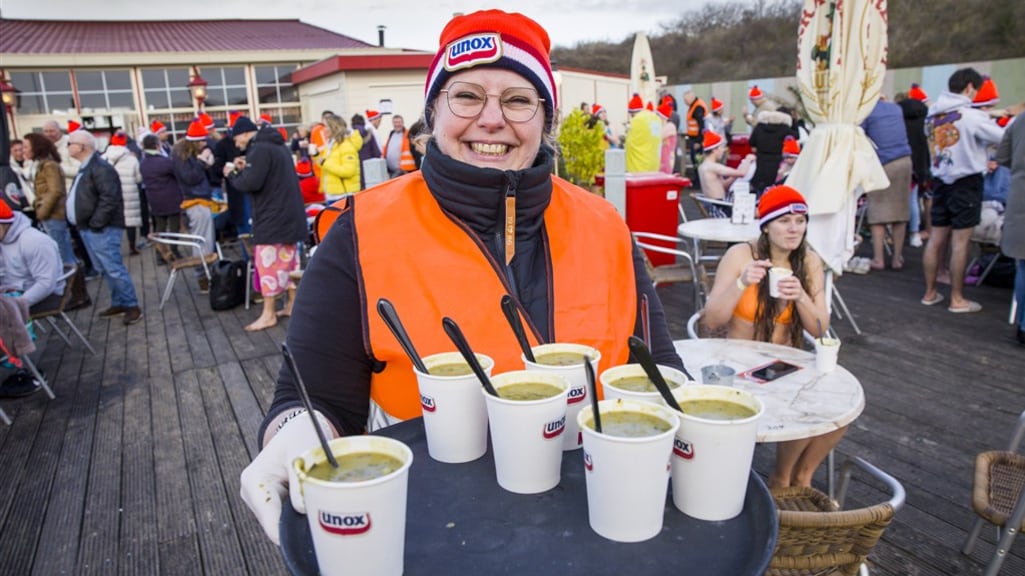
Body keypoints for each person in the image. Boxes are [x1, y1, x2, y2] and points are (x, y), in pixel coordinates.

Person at [239, 9, 683, 545]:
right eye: (467, 95)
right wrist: (297, 433)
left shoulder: (607, 226)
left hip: (602, 522)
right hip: (434, 529)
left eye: (518, 99)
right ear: (432, 113)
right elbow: (313, 398)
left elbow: (658, 367)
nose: (491, 119)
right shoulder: (360, 232)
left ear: (546, 118)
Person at [702, 185, 836, 488]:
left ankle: (795, 476)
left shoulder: (809, 262)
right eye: (784, 221)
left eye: (800, 222)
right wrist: (741, 283)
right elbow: (712, 319)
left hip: (784, 364)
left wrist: (801, 296)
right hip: (738, 365)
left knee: (836, 409)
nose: (794, 229)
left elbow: (819, 328)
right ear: (766, 226)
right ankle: (772, 479)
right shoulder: (740, 255)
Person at [921, 68, 1005, 314]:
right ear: (969, 87)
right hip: (966, 182)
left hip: (940, 181)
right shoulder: (971, 116)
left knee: (936, 239)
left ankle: (929, 292)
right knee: (960, 242)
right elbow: (1003, 137)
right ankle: (957, 299)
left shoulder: (932, 114)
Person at [223, 118, 309, 332]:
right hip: (289, 216)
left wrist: (233, 173)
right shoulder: (277, 145)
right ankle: (292, 304)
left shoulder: (259, 149)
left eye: (236, 138)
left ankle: (268, 314)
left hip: (272, 218)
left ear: (244, 134)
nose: (236, 144)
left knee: (267, 265)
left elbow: (250, 183)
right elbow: (267, 175)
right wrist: (247, 166)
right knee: (289, 263)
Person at [65, 130, 143, 325]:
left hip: (101, 228)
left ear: (82, 146)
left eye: (70, 143)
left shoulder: (100, 168)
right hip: (90, 227)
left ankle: (131, 305)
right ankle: (120, 302)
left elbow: (109, 198)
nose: (68, 147)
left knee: (113, 268)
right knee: (106, 269)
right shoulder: (88, 167)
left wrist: (96, 223)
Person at [23, 133, 90, 311]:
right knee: (65, 254)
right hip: (51, 215)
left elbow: (56, 191)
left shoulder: (49, 166)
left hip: (53, 216)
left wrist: (42, 212)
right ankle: (79, 294)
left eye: (26, 147)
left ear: (36, 147)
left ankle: (79, 295)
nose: (24, 150)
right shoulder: (43, 164)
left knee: (65, 255)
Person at [862, 96, 912, 271]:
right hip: (904, 161)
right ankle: (897, 258)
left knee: (878, 213)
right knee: (900, 213)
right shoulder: (896, 108)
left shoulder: (866, 110)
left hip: (883, 163)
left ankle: (879, 259)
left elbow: (860, 137)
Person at [171, 119, 219, 291]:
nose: (205, 143)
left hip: (200, 199)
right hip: (195, 201)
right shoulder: (181, 157)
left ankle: (206, 273)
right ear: (195, 141)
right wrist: (202, 163)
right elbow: (190, 178)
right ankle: (203, 276)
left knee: (205, 239)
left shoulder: (184, 154)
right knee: (202, 240)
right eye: (202, 140)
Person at [0, 202, 65, 313]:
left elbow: (46, 284)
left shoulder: (34, 241)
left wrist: (16, 304)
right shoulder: (3, 239)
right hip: (13, 291)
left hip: (45, 295)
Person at [997, 111, 1025, 346]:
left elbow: (1003, 156)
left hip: (1019, 197)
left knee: (1023, 265)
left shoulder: (1020, 120)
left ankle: (1023, 325)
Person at [895, 85, 932, 248]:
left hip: (902, 162)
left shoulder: (899, 121)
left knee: (900, 201)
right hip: (922, 164)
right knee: (917, 200)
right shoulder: (925, 119)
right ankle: (915, 233)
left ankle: (896, 235)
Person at [102, 131, 144, 256]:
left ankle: (114, 248)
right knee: (130, 221)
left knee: (114, 220)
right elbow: (139, 179)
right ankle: (132, 246)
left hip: (111, 192)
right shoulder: (132, 158)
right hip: (129, 192)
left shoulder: (104, 157)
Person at [139, 134, 184, 246]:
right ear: (157, 146)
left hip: (154, 199)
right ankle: (174, 251)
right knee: (174, 228)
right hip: (171, 199)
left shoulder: (143, 163)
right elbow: (178, 174)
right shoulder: (164, 162)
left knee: (160, 228)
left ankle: (160, 254)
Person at [698, 130, 752, 212]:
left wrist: (735, 174)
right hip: (719, 207)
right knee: (751, 210)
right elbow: (742, 173)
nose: (723, 150)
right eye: (721, 147)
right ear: (714, 150)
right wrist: (748, 159)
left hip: (714, 205)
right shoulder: (713, 167)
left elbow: (723, 186)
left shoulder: (704, 165)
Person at [749, 108, 796, 196]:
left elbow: (751, 142)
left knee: (759, 186)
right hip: (777, 160)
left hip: (761, 160)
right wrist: (794, 122)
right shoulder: (784, 129)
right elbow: (796, 136)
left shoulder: (759, 127)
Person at [315, 114, 362, 201]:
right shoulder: (331, 145)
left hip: (343, 196)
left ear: (334, 128)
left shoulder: (346, 146)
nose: (323, 130)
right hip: (332, 194)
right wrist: (316, 156)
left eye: (326, 127)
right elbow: (325, 167)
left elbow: (348, 171)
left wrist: (324, 162)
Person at [624, 93, 660, 173]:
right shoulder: (655, 118)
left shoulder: (637, 120)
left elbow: (630, 142)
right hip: (654, 164)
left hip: (639, 165)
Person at [681, 90, 709, 180]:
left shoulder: (698, 107)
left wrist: (699, 141)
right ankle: (697, 180)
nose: (684, 102)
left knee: (697, 161)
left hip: (697, 139)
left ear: (691, 98)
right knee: (696, 160)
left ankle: (698, 181)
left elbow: (702, 125)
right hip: (694, 138)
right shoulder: (694, 106)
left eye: (685, 100)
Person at [350, 113, 381, 190]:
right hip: (368, 168)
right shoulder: (369, 133)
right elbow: (377, 153)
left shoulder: (348, 136)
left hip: (353, 170)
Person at [656, 102, 678, 174]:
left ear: (662, 117)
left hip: (667, 159)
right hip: (660, 159)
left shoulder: (670, 126)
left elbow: (658, 137)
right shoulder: (662, 127)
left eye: (658, 115)